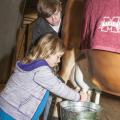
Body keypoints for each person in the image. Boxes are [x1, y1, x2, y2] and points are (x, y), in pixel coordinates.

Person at [0, 34, 88, 120]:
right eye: (58, 57)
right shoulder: (41, 70)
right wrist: (78, 97)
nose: (59, 60)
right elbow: (58, 87)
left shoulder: (31, 63)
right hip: (15, 113)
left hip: (7, 107)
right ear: (49, 52)